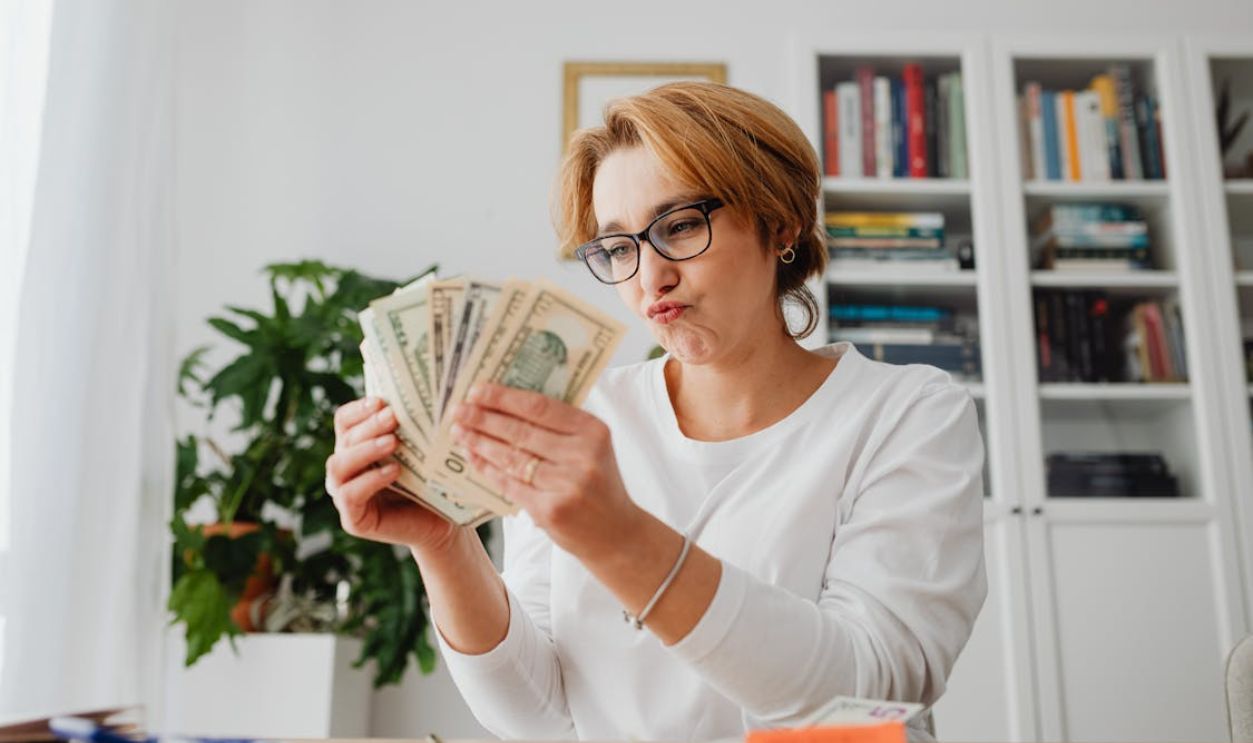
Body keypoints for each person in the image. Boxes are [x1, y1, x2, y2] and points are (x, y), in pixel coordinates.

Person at [324, 81, 986, 741]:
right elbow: (535, 714)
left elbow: (871, 690)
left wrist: (617, 536)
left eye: (678, 226)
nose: (648, 277)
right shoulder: (580, 417)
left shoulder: (908, 413)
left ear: (779, 222)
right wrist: (443, 544)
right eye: (618, 247)